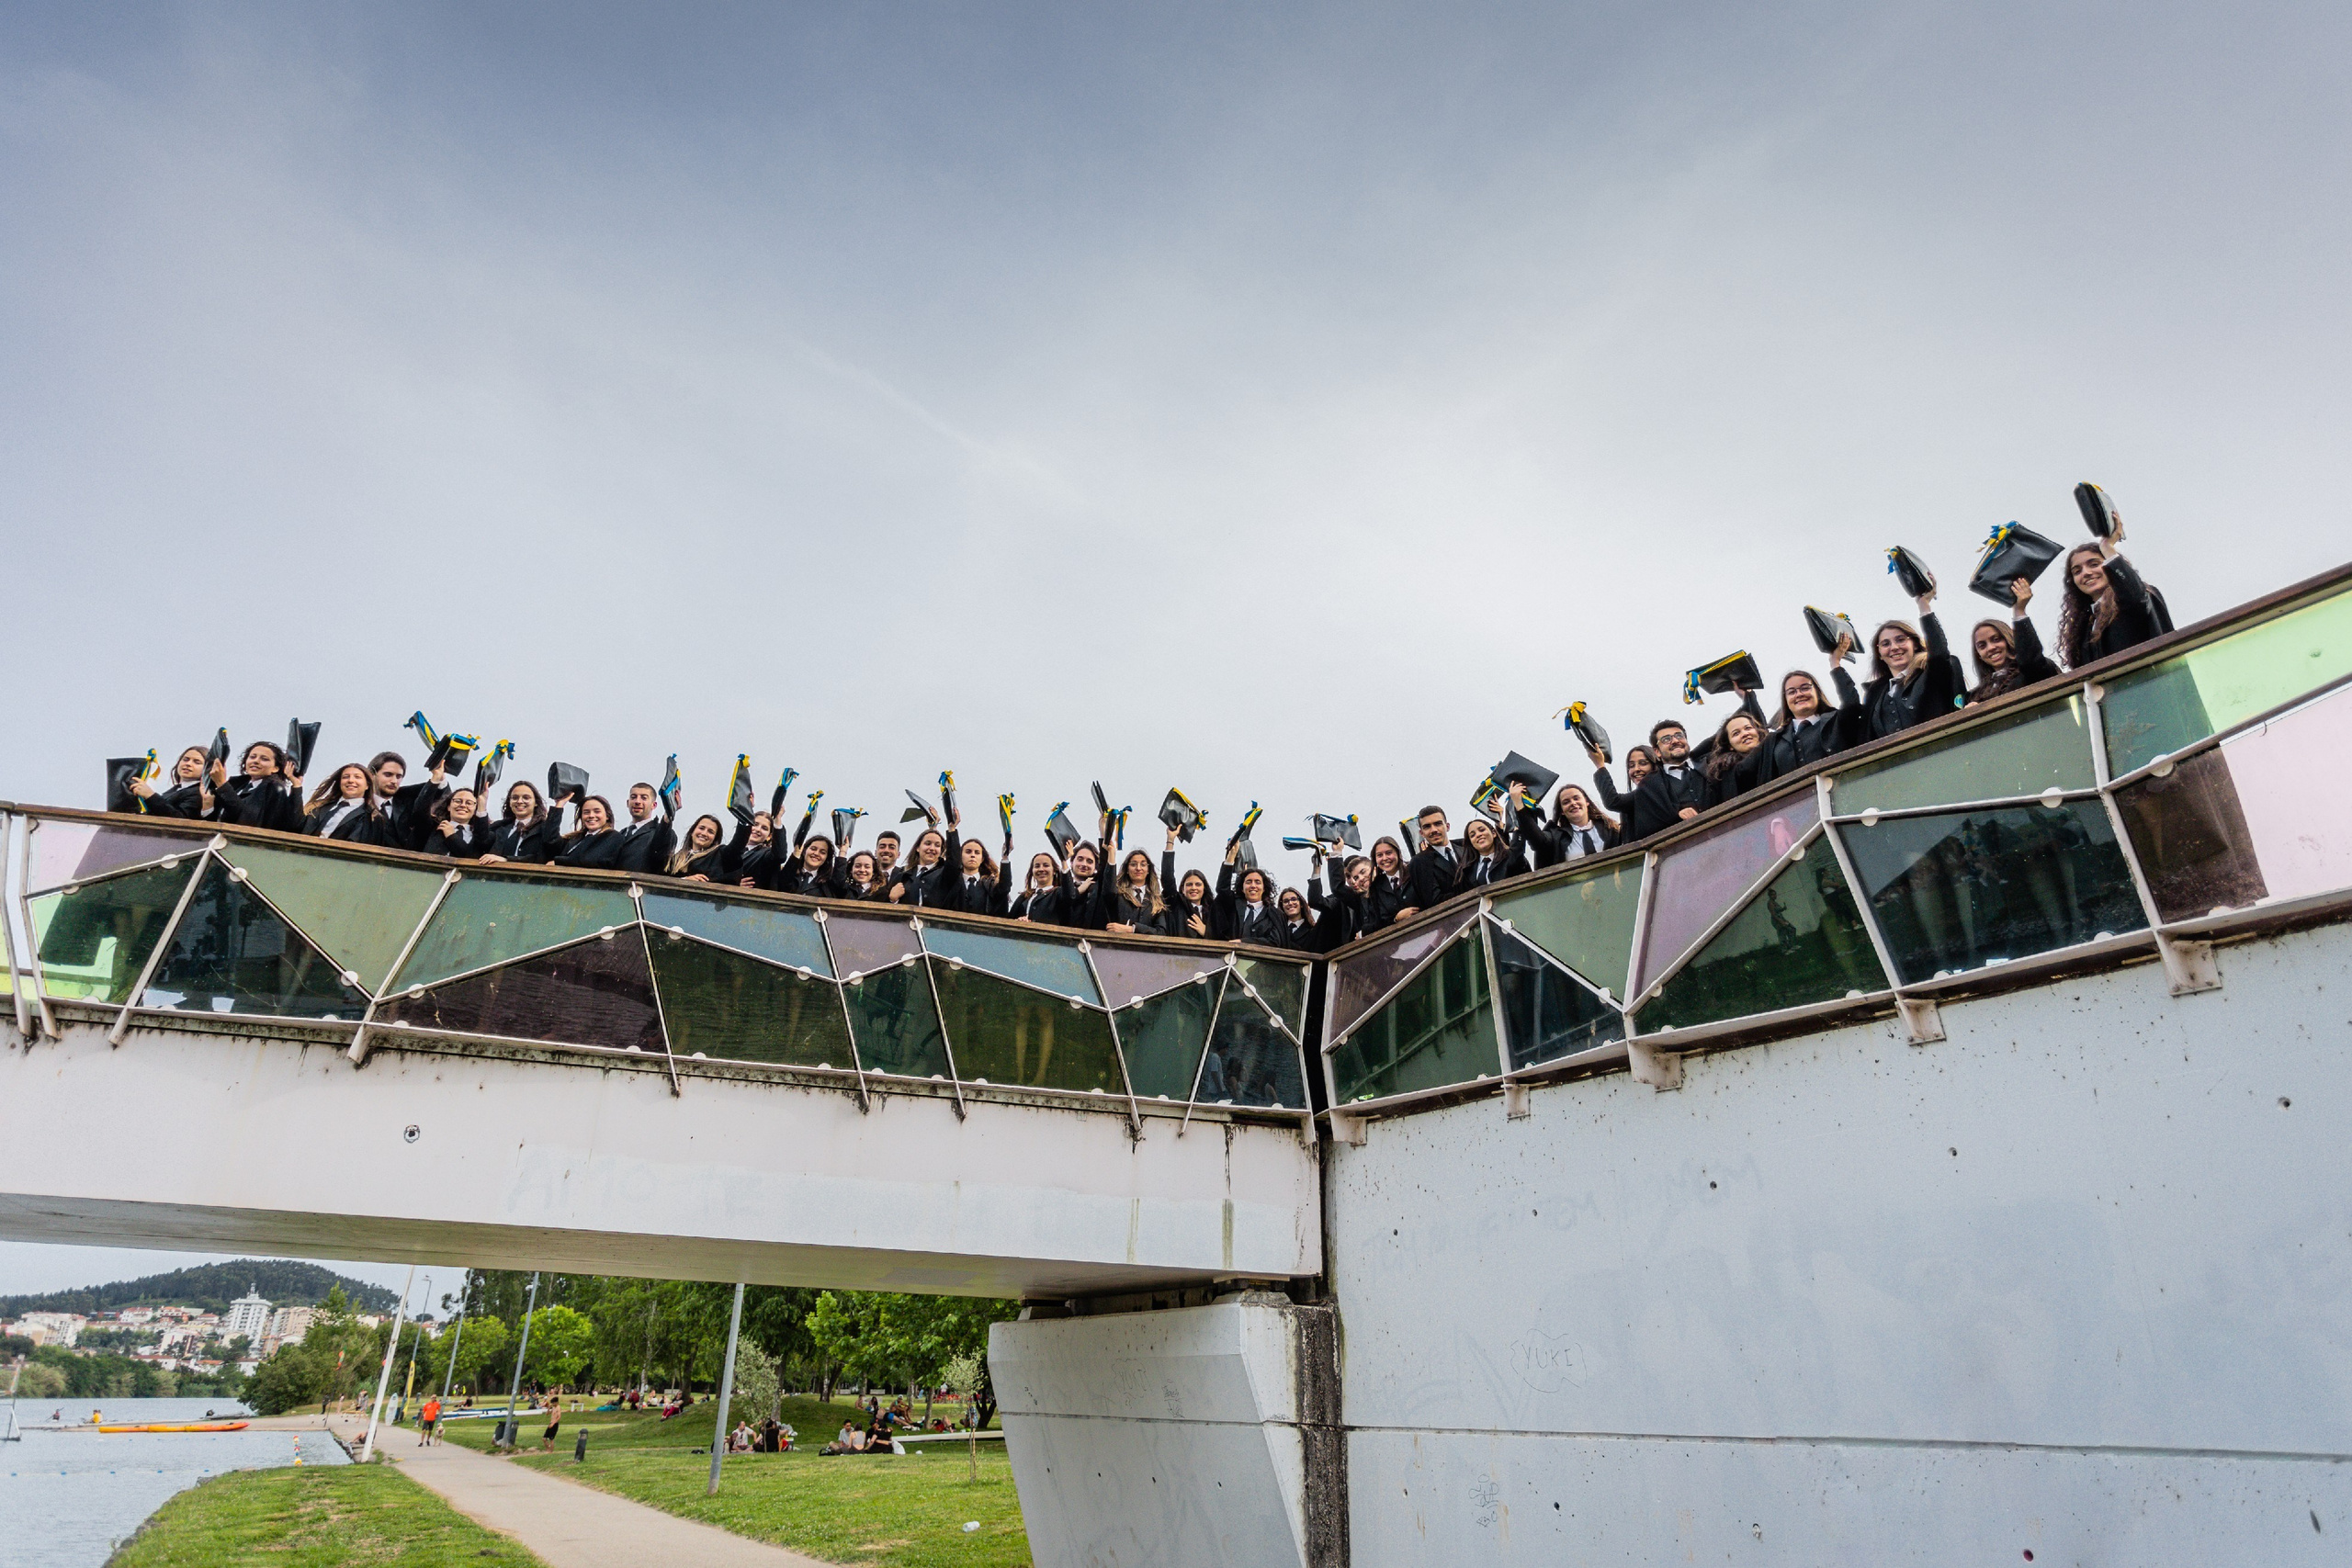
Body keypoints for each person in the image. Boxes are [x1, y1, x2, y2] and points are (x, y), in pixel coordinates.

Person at [1863, 580, 1965, 739]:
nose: (1894, 647)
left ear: (1915, 644)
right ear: (1879, 654)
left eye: (1900, 640)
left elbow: (1939, 655)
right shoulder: (1875, 695)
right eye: (1885, 643)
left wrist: (1924, 605)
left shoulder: (1930, 675)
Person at [2056, 527, 2165, 670]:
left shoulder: (2136, 598)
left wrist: (2108, 548)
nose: (2086, 573)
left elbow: (2135, 597)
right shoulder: (2085, 626)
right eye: (2077, 571)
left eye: (2094, 564)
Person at [1969, 576, 2062, 704]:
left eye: (1996, 639)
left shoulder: (2030, 673)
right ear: (1978, 655)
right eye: (1982, 646)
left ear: (2008, 640)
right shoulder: (1974, 696)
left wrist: (2019, 610)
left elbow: (2030, 661)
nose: (1990, 648)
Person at [1767, 652, 1863, 774]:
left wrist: (1835, 664)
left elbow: (1851, 704)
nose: (1799, 694)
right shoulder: (1777, 741)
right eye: (1791, 692)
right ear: (1785, 700)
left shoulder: (1835, 722)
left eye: (1805, 688)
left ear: (1817, 692)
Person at [212, 740, 305, 832]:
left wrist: (222, 785)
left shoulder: (274, 788)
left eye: (264, 759)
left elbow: (248, 819)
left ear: (275, 768)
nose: (256, 761)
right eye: (252, 757)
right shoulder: (237, 785)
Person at [1700, 709, 1780, 806]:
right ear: (1730, 745)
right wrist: (1772, 737)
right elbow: (1746, 769)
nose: (1745, 734)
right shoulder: (1727, 769)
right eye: (1736, 733)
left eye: (1748, 728)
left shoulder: (1777, 751)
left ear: (1758, 732)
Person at [1523, 783, 1616, 865]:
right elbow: (1536, 840)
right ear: (1562, 811)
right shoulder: (1556, 837)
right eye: (1566, 802)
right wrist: (1520, 806)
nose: (1573, 803)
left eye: (1576, 798)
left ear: (1586, 802)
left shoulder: (1609, 828)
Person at [481, 781, 563, 864]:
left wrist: (506, 860)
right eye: (515, 798)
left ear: (536, 803)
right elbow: (482, 840)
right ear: (509, 802)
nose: (520, 801)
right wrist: (482, 804)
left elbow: (541, 856)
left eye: (526, 798)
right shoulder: (500, 829)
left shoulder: (544, 830)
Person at [1219, 847, 1286, 945]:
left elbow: (1274, 942)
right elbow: (1222, 889)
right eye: (1248, 882)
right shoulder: (1233, 906)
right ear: (1242, 888)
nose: (1253, 886)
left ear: (1264, 888)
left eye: (1258, 882)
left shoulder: (1274, 914)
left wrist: (1243, 942)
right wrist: (1231, 856)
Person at [128, 747, 214, 819]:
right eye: (185, 759)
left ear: (208, 768)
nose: (188, 764)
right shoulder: (177, 789)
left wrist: (150, 796)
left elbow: (180, 819)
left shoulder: (200, 792)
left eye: (197, 762)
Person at [1406, 807, 1464, 911]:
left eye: (1438, 824)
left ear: (1447, 826)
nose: (1434, 830)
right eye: (1427, 827)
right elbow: (1433, 901)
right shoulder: (1420, 862)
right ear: (1422, 833)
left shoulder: (1466, 846)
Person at [1310, 853, 1374, 948]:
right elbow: (1316, 901)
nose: (1353, 881)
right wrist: (1316, 869)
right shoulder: (1340, 900)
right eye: (1348, 876)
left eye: (1362, 872)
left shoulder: (1383, 890)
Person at [611, 783, 676, 874]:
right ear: (627, 803)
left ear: (654, 805)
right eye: (633, 797)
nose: (637, 801)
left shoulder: (662, 832)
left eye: (644, 798)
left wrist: (668, 817)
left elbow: (661, 857)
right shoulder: (619, 834)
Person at [887, 825, 958, 907]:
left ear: (941, 851)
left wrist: (952, 830)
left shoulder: (945, 873)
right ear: (917, 848)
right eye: (928, 843)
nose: (932, 848)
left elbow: (954, 862)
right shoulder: (903, 875)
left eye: (937, 845)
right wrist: (893, 900)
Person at [1104, 849, 1167, 935]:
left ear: (1148, 870)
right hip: (1116, 946)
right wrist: (1111, 855)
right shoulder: (1117, 894)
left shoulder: (1157, 900)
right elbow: (1108, 887)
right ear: (1127, 869)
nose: (1138, 868)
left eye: (1143, 865)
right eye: (1133, 864)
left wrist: (1133, 929)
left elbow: (1161, 932)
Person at [944, 834, 1006, 916]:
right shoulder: (951, 881)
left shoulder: (990, 885)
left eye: (977, 853)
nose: (972, 855)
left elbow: (1005, 888)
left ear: (982, 859)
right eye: (968, 852)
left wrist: (1005, 859)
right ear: (960, 856)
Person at [421, 786, 491, 858]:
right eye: (458, 801)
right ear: (449, 807)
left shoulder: (480, 837)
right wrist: (436, 780)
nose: (463, 805)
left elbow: (472, 857)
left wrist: (451, 836)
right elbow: (420, 811)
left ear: (475, 810)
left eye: (469, 803)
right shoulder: (434, 827)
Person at [558, 795, 625, 867]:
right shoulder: (576, 838)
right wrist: (559, 805)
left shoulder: (613, 837)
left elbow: (592, 860)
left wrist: (558, 862)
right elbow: (550, 841)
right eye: (586, 812)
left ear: (607, 816)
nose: (591, 815)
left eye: (597, 811)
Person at [1365, 836, 1415, 929]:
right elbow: (1378, 921)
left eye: (1388, 853)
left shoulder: (1413, 872)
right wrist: (1396, 918)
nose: (1384, 858)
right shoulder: (1376, 887)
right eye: (1379, 855)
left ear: (1398, 853)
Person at [666, 815, 729, 881]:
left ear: (714, 839)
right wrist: (685, 880)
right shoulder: (675, 859)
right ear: (692, 832)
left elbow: (736, 848)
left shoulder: (718, 856)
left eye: (710, 832)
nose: (704, 833)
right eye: (701, 828)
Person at [774, 833, 837, 897]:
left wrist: (842, 852)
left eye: (822, 852)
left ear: (826, 858)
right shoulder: (789, 872)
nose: (816, 854)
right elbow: (782, 884)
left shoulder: (828, 883)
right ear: (804, 851)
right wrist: (796, 855)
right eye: (813, 849)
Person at [1009, 852, 1064, 921]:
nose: (1041, 869)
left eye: (1046, 865)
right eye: (1037, 866)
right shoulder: (1024, 897)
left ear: (1054, 871)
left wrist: (1064, 862)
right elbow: (1009, 919)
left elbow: (1071, 895)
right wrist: (1019, 920)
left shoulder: (1059, 893)